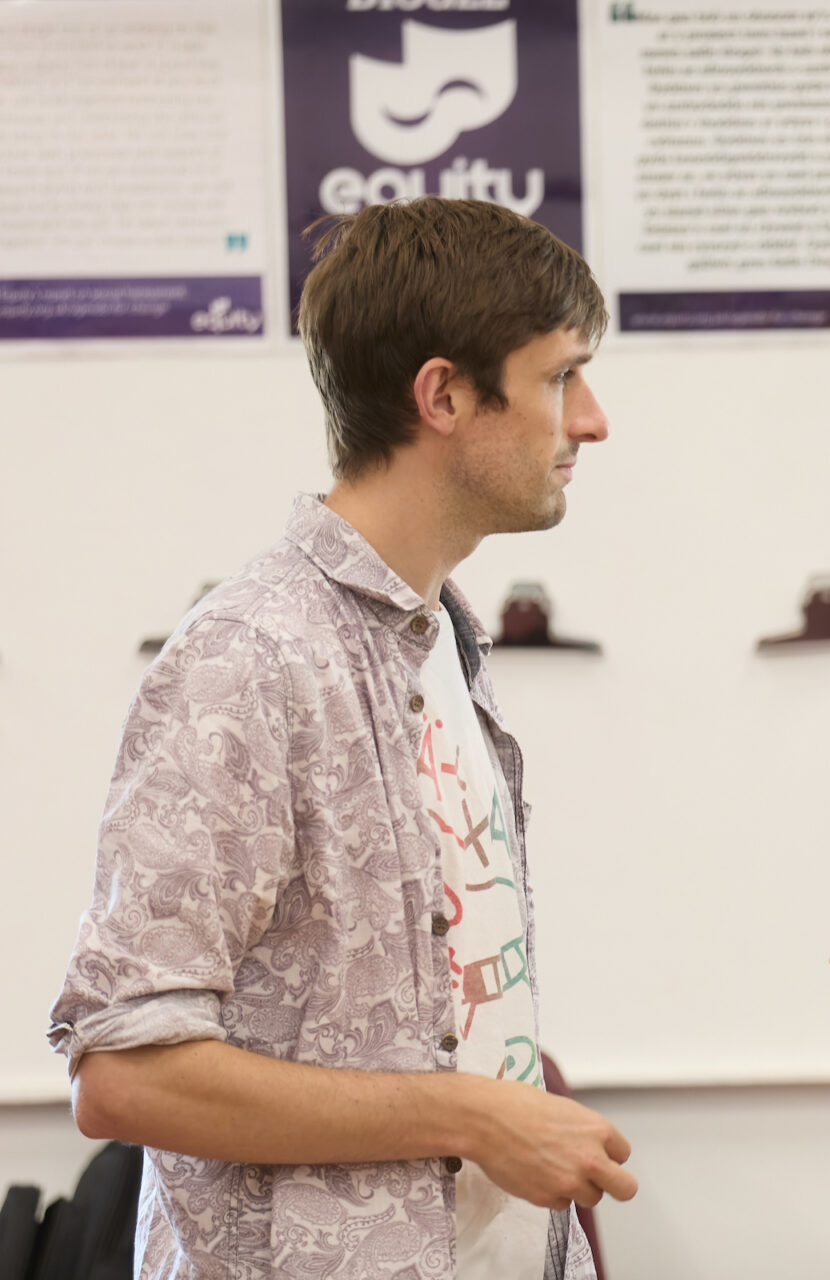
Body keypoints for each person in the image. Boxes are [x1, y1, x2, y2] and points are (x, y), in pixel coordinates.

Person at [50, 198, 633, 1279]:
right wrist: (470, 1115)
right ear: (445, 395)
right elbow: (126, 1074)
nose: (592, 419)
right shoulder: (248, 658)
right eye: (561, 376)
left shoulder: (444, 637)